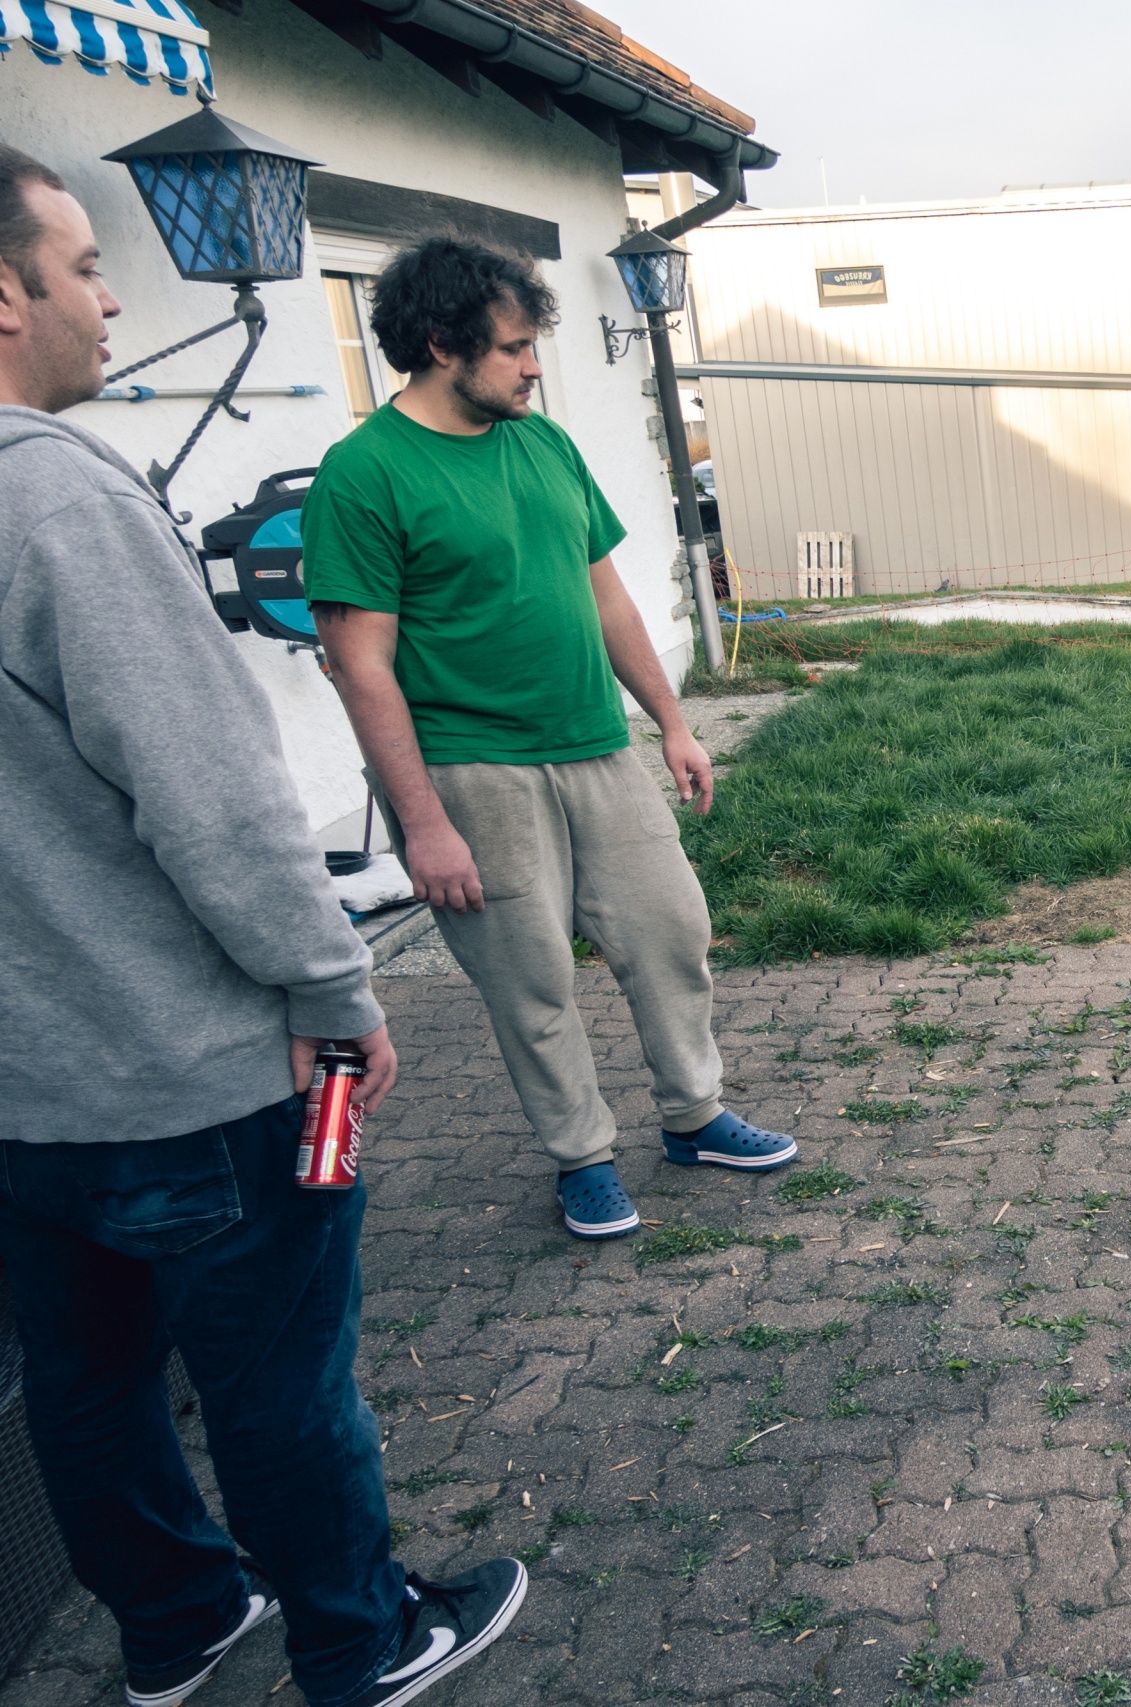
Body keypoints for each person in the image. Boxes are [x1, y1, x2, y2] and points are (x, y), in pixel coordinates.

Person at [0, 147, 522, 1707]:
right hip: (209, 1076)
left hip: (24, 1097)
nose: (110, 301)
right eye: (85, 266)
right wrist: (333, 985)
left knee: (85, 1376)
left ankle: (175, 1622)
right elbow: (214, 798)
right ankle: (363, 1638)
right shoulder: (61, 498)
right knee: (280, 1371)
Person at [301, 236, 796, 1242]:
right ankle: (582, 1156)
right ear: (442, 344)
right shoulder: (363, 475)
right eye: (515, 348)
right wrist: (423, 824)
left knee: (670, 930)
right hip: (470, 767)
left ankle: (694, 1115)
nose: (533, 367)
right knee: (530, 980)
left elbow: (607, 598)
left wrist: (671, 723)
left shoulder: (547, 445)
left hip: (594, 743)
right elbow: (361, 666)